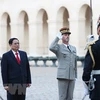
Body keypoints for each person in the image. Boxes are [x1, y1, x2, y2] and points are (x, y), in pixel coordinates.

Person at [49, 27, 77, 100]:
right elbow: (51, 47)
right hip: (63, 76)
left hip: (72, 76)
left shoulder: (73, 48)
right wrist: (57, 38)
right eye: (65, 35)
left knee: (70, 97)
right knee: (62, 97)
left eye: (68, 34)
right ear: (61, 37)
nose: (67, 36)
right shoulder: (58, 47)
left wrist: (75, 75)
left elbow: (75, 62)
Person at [82, 18, 100, 100]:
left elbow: (87, 69)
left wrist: (87, 83)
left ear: (98, 30)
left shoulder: (93, 46)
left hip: (98, 82)